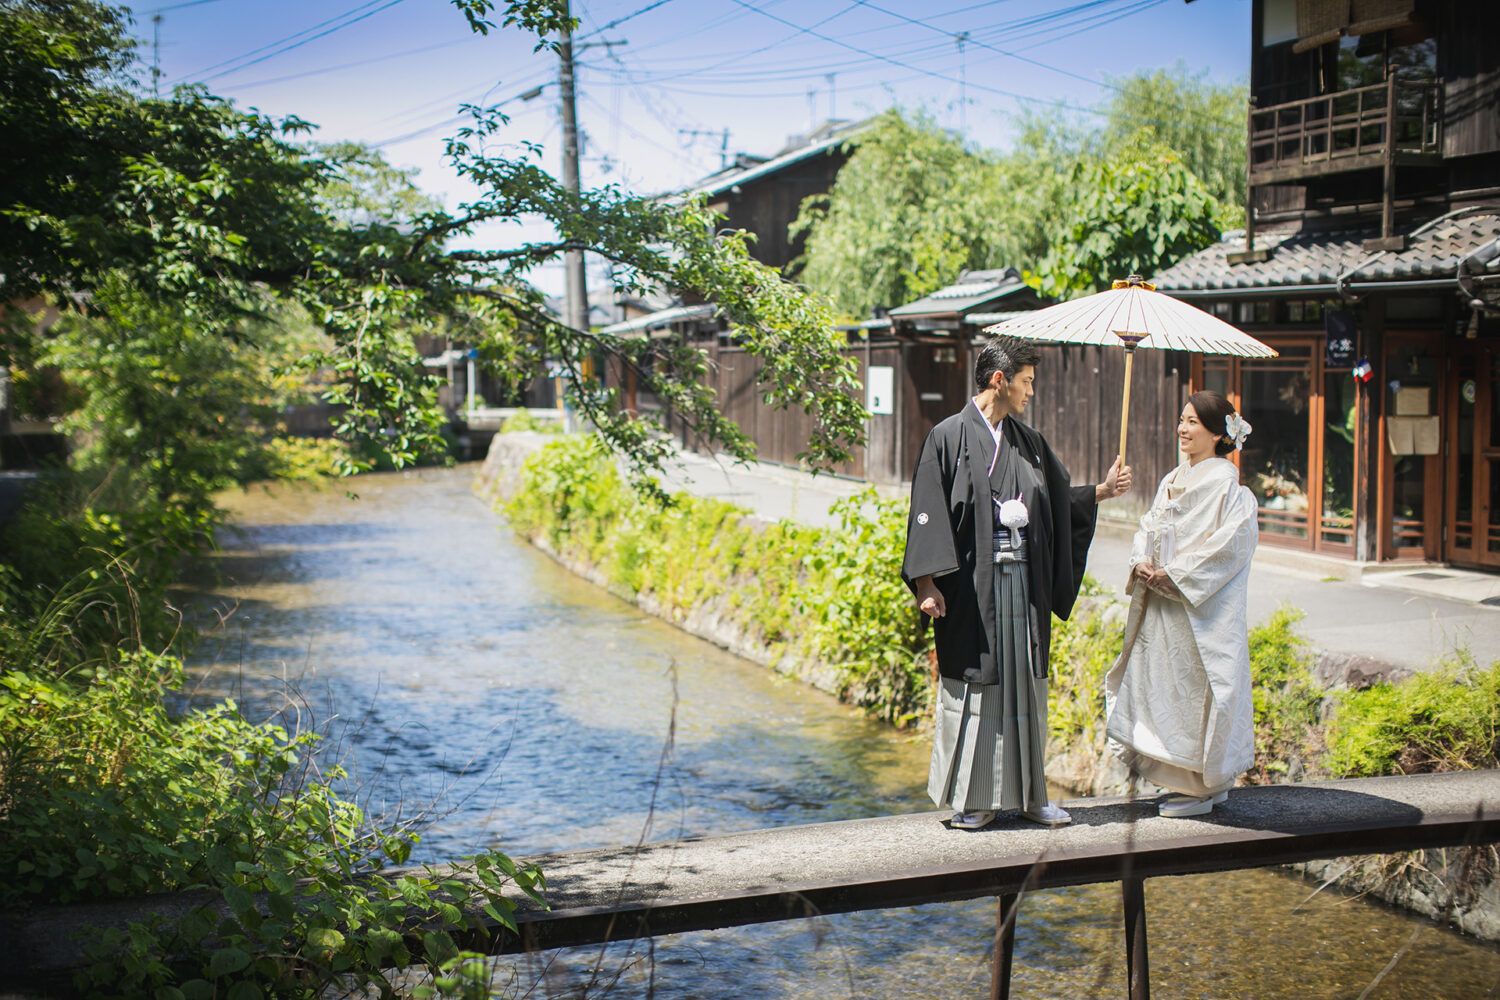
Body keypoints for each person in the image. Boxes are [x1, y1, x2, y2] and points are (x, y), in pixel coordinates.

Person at [902, 335, 1132, 830]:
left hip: (1023, 587)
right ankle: (978, 800)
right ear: (999, 380)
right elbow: (927, 510)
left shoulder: (1028, 441)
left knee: (1026, 687)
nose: (1031, 392)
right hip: (972, 590)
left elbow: (1055, 499)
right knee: (979, 692)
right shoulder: (947, 436)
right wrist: (926, 584)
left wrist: (1100, 491)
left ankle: (1032, 796)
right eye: (1026, 382)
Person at [1104, 390, 1258, 818]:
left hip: (1199, 608)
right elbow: (1147, 528)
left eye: (1193, 422)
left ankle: (1203, 785)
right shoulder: (1172, 477)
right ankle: (1190, 781)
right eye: (1181, 419)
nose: (1183, 429)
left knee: (1197, 691)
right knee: (1166, 690)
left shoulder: (1227, 485)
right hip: (1163, 604)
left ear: (1216, 433)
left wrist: (1175, 573)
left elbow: (1227, 548)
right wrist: (1142, 560)